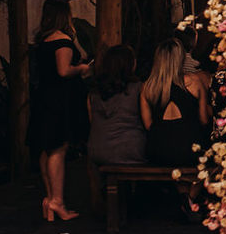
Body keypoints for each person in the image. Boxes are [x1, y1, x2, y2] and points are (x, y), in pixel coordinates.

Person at [28, 0, 92, 221]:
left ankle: (49, 199)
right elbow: (64, 70)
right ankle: (57, 201)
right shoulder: (63, 41)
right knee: (58, 148)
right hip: (58, 101)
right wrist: (82, 69)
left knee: (46, 149)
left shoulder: (43, 41)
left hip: (43, 98)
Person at [141, 39, 211, 167]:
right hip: (189, 147)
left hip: (158, 149)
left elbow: (148, 124)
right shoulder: (194, 81)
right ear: (180, 58)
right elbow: (204, 120)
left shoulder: (148, 87)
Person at [87, 44, 146, 166]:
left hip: (97, 150)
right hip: (130, 150)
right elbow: (147, 122)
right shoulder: (139, 88)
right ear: (129, 64)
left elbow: (93, 122)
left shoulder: (94, 92)